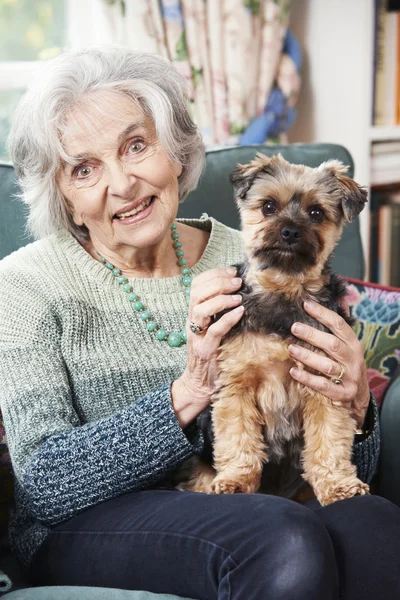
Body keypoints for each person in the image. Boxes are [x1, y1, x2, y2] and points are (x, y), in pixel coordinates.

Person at [0, 47, 399, 600]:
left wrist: (358, 404)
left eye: (136, 145)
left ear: (176, 150)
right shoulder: (25, 284)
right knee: (282, 538)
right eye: (84, 168)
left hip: (264, 496)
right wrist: (188, 392)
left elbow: (345, 462)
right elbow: (43, 485)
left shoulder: (260, 253)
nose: (123, 183)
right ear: (61, 194)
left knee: (377, 529)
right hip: (88, 521)